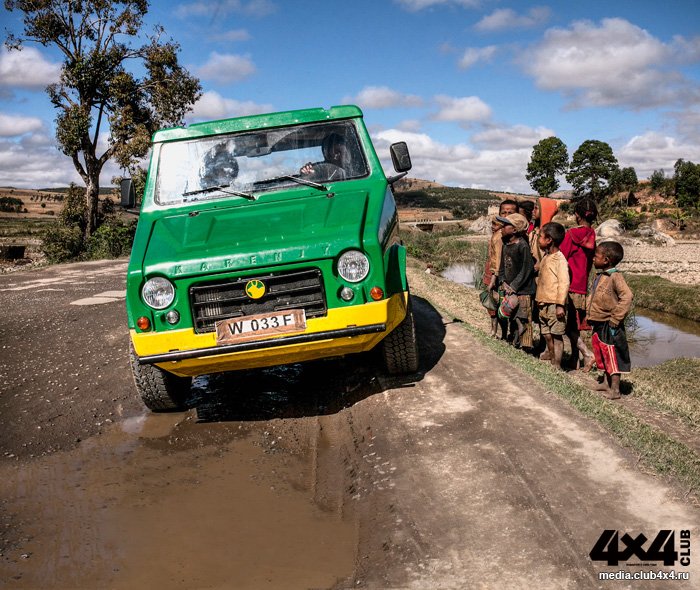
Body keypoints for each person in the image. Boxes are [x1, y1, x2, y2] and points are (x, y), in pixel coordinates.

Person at [587, 241, 633, 399]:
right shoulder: (600, 276)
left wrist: (616, 317)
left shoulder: (615, 277)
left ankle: (615, 389)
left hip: (609, 323)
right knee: (602, 353)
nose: (593, 259)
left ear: (606, 260)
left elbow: (627, 296)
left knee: (612, 355)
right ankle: (606, 383)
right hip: (599, 322)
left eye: (596, 256)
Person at [560, 198, 598, 371]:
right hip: (582, 284)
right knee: (575, 325)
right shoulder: (592, 235)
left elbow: (562, 258)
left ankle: (587, 353)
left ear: (577, 215)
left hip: (570, 284)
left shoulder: (571, 235)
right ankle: (574, 360)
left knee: (568, 327)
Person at [496, 212, 536, 348]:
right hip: (509, 288)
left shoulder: (522, 246)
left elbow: (527, 269)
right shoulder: (505, 244)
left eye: (506, 225)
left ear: (514, 229)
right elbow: (502, 266)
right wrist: (502, 281)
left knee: (523, 316)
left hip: (523, 289)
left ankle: (525, 346)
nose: (502, 227)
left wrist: (513, 286)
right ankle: (515, 342)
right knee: (512, 317)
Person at [535, 222, 569, 369]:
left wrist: (560, 305)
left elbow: (564, 282)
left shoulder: (560, 260)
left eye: (540, 237)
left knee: (556, 335)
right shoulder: (547, 256)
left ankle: (557, 364)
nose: (538, 239)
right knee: (547, 333)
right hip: (543, 302)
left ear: (549, 240)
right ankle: (551, 355)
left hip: (554, 304)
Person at [487, 199, 519, 339]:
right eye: (503, 213)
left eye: (510, 213)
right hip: (494, 273)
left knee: (502, 305)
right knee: (495, 304)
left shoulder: (503, 236)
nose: (506, 216)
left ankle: (504, 334)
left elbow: (499, 259)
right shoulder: (500, 234)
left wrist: (494, 277)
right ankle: (501, 333)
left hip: (500, 276)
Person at [482, 216, 504, 337]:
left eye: (495, 224)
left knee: (494, 304)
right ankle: (495, 331)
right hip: (490, 273)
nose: (492, 227)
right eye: (492, 224)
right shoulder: (495, 236)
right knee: (492, 304)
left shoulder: (499, 237)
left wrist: (493, 280)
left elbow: (498, 260)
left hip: (494, 276)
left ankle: (496, 331)